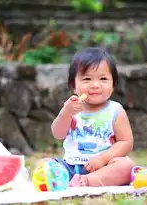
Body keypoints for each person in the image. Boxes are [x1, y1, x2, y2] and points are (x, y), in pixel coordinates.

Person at [51, 47, 135, 187]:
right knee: (44, 164)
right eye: (87, 79)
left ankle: (88, 181)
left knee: (127, 166)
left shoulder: (115, 110)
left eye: (103, 79)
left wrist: (103, 159)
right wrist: (65, 114)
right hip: (71, 166)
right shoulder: (72, 108)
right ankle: (73, 180)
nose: (95, 85)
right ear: (73, 86)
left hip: (104, 167)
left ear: (113, 85)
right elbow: (58, 134)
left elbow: (126, 143)